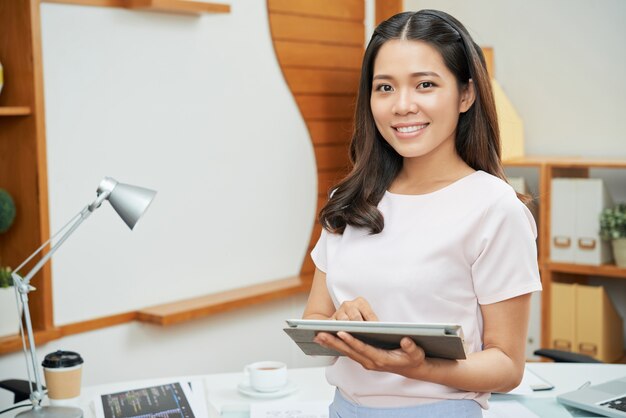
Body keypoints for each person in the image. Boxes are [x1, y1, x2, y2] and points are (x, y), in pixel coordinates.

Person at [302, 9, 542, 418]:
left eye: (425, 85)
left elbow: (507, 366)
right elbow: (315, 318)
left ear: (466, 94)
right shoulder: (351, 199)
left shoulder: (494, 208)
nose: (402, 105)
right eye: (384, 88)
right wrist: (341, 326)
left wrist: (423, 367)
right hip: (344, 410)